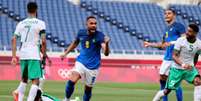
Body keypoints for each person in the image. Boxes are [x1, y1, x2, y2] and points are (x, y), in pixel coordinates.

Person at [60, 16, 110, 101]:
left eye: (95, 23)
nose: (94, 25)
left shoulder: (100, 35)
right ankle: (66, 99)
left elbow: (106, 53)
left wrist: (107, 44)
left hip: (93, 67)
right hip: (81, 62)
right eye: (91, 23)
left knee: (88, 90)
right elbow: (75, 43)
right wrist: (65, 53)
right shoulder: (81, 33)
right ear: (86, 24)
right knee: (72, 80)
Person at [144, 8, 185, 101]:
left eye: (169, 13)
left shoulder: (179, 26)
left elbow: (184, 39)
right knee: (162, 79)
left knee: (174, 82)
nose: (166, 15)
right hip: (167, 58)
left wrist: (173, 42)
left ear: (174, 15)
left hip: (175, 58)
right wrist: (150, 44)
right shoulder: (166, 30)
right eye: (165, 13)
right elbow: (162, 45)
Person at [153, 24, 201, 101]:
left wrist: (193, 66)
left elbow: (196, 56)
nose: (187, 33)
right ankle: (156, 98)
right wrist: (183, 64)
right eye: (187, 30)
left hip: (189, 69)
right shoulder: (180, 40)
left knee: (198, 82)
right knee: (167, 91)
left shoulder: (199, 44)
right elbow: (174, 56)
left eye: (190, 31)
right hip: (176, 70)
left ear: (195, 33)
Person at [11, 2, 46, 101]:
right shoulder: (40, 23)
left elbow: (13, 39)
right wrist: (44, 55)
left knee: (24, 79)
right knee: (36, 81)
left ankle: (20, 98)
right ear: (36, 10)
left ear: (27, 10)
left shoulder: (21, 23)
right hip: (34, 54)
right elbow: (43, 41)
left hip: (23, 54)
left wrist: (14, 56)